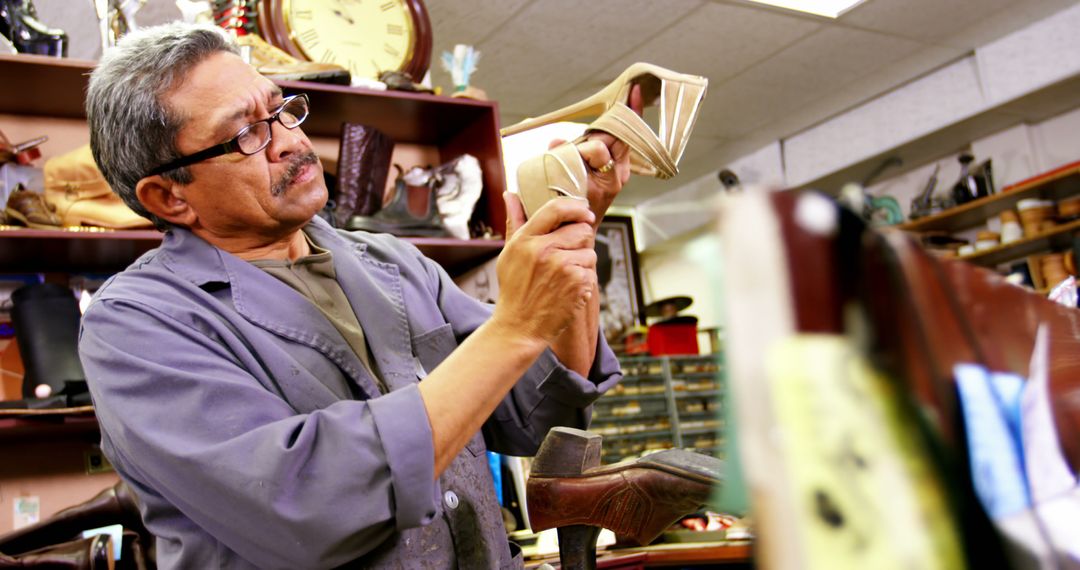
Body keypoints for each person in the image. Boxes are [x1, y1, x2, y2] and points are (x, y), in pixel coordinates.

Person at [78, 22, 632, 569]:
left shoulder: (391, 261)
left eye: (281, 110)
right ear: (169, 198)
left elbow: (537, 408)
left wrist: (570, 233)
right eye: (247, 134)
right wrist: (515, 327)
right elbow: (307, 504)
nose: (291, 142)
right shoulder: (134, 326)